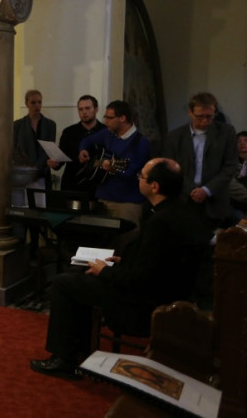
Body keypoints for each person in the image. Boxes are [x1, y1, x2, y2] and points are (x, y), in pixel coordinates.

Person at [29, 158, 211, 380]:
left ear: (155, 186)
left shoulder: (162, 222)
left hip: (143, 303)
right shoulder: (179, 211)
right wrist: (123, 260)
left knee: (62, 283)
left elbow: (140, 279)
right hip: (166, 292)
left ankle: (64, 360)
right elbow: (156, 260)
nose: (138, 179)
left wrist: (105, 271)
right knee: (79, 273)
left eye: (141, 176)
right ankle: (78, 348)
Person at [163, 92, 238, 231]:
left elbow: (231, 165)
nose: (205, 121)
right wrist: (192, 190)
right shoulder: (175, 137)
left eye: (209, 116)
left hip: (215, 201)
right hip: (184, 200)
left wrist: (206, 190)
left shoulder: (226, 132)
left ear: (215, 113)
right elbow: (171, 168)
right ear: (190, 113)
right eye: (200, 116)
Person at [78, 100, 150, 232]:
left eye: (109, 118)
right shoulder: (107, 134)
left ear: (122, 118)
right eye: (105, 117)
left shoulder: (140, 142)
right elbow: (88, 140)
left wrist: (113, 169)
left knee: (126, 240)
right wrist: (83, 150)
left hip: (127, 203)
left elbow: (131, 172)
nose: (106, 121)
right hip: (102, 199)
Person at [52, 95, 106, 195]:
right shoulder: (69, 132)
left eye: (88, 108)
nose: (84, 112)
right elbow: (62, 157)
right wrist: (55, 163)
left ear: (96, 109)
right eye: (80, 109)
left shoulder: (106, 131)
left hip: (97, 186)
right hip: (72, 185)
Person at [13, 90, 57, 186]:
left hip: (43, 172)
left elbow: (49, 149)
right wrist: (29, 168)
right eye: (33, 103)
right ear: (26, 103)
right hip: (24, 173)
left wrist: (37, 168)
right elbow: (15, 149)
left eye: (39, 102)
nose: (37, 105)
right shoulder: (18, 125)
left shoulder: (50, 125)